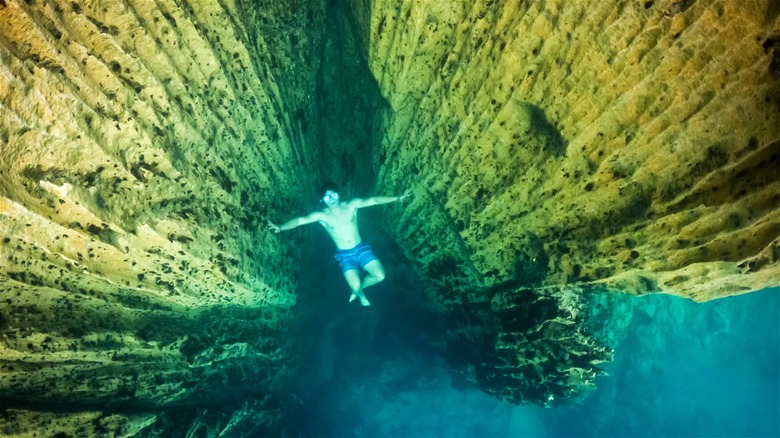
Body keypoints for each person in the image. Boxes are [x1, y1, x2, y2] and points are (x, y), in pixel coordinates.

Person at [268, 183, 411, 306]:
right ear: (322, 200)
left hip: (361, 249)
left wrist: (397, 198)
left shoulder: (352, 205)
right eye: (327, 198)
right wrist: (281, 227)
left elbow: (373, 200)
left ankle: (359, 288)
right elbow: (300, 220)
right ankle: (359, 294)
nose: (331, 200)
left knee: (380, 276)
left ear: (338, 194)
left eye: (334, 196)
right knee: (354, 286)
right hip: (345, 256)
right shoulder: (322, 216)